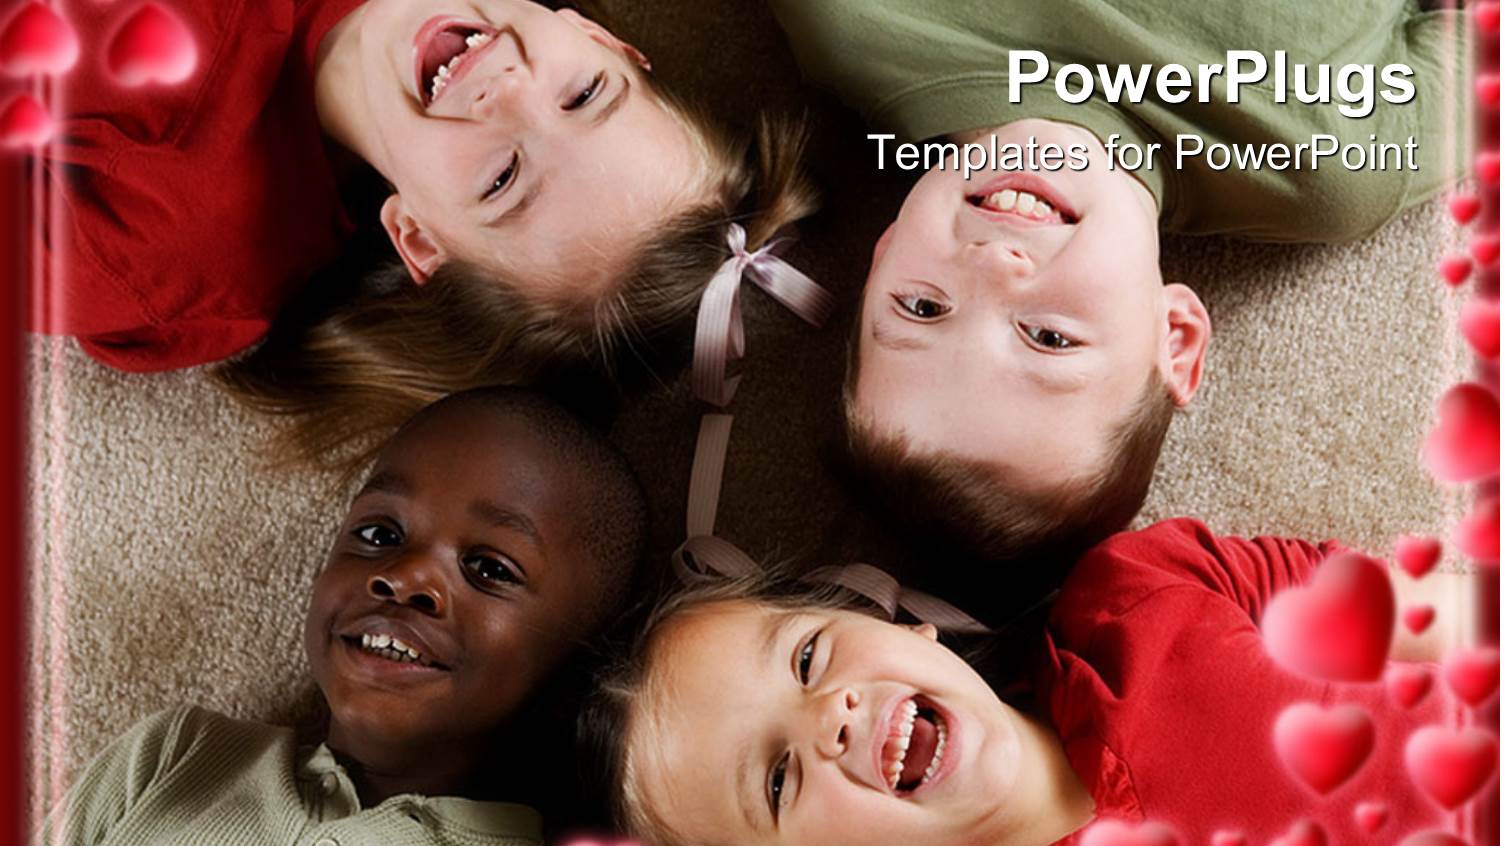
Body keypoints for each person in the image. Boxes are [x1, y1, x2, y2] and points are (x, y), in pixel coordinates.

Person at [764, 0, 1467, 565]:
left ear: (883, 255)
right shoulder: (1328, 162)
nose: (990, 265)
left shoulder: (852, 21)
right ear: (1176, 337)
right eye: (1046, 336)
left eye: (923, 306)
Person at [32, 0, 815, 465]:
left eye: (502, 179)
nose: (509, 93)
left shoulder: (166, 246)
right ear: (604, 40)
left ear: (419, 239)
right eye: (582, 94)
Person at [581, 519, 1469, 845]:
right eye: (776, 781)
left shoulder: (1132, 596)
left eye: (810, 657)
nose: (832, 718)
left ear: (899, 627)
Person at [37, 386, 648, 845]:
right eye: (381, 533)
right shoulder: (182, 753)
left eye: (490, 569)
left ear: (581, 661)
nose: (404, 576)